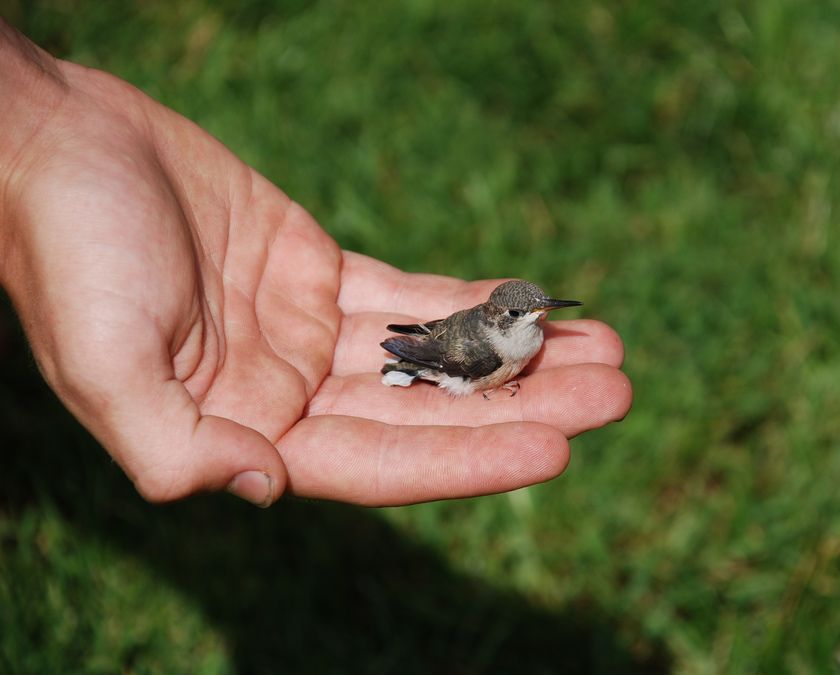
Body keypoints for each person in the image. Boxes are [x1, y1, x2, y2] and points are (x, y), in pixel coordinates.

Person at [0, 20, 631, 507]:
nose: (540, 316)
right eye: (527, 311)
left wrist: (42, 125)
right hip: (456, 365)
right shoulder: (489, 348)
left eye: (540, 309)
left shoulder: (522, 336)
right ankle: (409, 370)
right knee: (441, 365)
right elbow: (458, 358)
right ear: (498, 317)